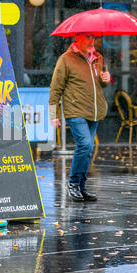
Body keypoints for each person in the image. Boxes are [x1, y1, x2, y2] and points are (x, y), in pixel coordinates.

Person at [49, 34, 111, 202]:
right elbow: (55, 88)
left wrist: (106, 79)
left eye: (93, 38)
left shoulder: (98, 57)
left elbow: (100, 83)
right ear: (77, 39)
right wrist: (53, 114)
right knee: (85, 144)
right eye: (87, 38)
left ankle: (81, 187)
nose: (92, 41)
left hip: (94, 110)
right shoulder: (66, 59)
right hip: (75, 110)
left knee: (88, 149)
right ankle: (74, 184)